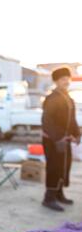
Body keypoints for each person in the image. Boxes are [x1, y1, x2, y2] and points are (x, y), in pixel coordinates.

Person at [42, 66, 80, 211]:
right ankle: (48, 198)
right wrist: (59, 137)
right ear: (56, 81)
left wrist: (77, 134)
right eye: (62, 79)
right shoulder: (52, 98)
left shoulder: (68, 98)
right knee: (54, 167)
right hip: (53, 140)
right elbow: (47, 121)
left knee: (65, 167)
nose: (66, 82)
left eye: (67, 79)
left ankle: (59, 194)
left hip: (65, 140)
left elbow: (72, 120)